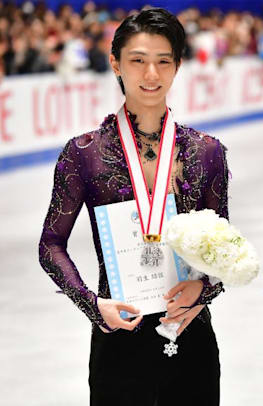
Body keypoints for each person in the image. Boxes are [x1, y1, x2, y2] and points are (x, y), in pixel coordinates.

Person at [38, 8, 227, 405]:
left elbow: (223, 251)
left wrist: (204, 288)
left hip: (190, 336)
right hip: (117, 336)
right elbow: (51, 244)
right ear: (116, 64)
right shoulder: (84, 154)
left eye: (163, 61)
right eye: (138, 61)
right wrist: (93, 306)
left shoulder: (207, 152)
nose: (151, 74)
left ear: (177, 65)